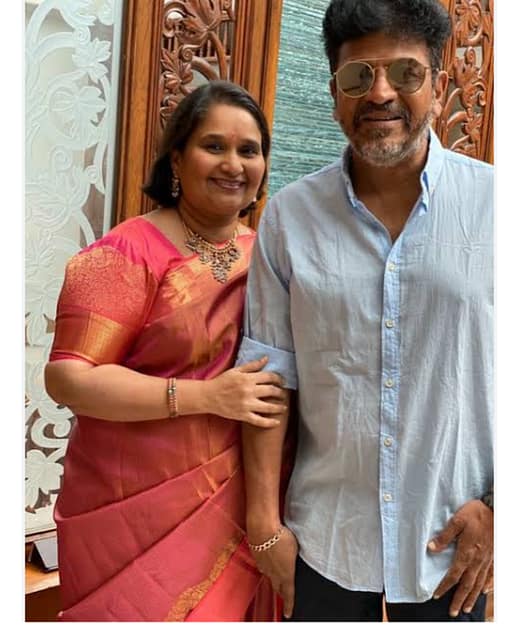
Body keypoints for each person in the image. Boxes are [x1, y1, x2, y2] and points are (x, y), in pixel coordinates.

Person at [237, 0, 494, 622]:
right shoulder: (290, 217)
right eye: (358, 76)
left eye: (405, 72)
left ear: (437, 84)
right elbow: (268, 379)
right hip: (323, 539)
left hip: (457, 541)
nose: (380, 93)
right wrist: (264, 524)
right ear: (334, 94)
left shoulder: (497, 206)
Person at [44, 80, 287, 622]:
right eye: (214, 146)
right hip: (133, 512)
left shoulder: (267, 256)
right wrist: (208, 397)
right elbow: (69, 378)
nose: (233, 164)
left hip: (243, 509)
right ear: (177, 159)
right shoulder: (127, 253)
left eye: (249, 150)